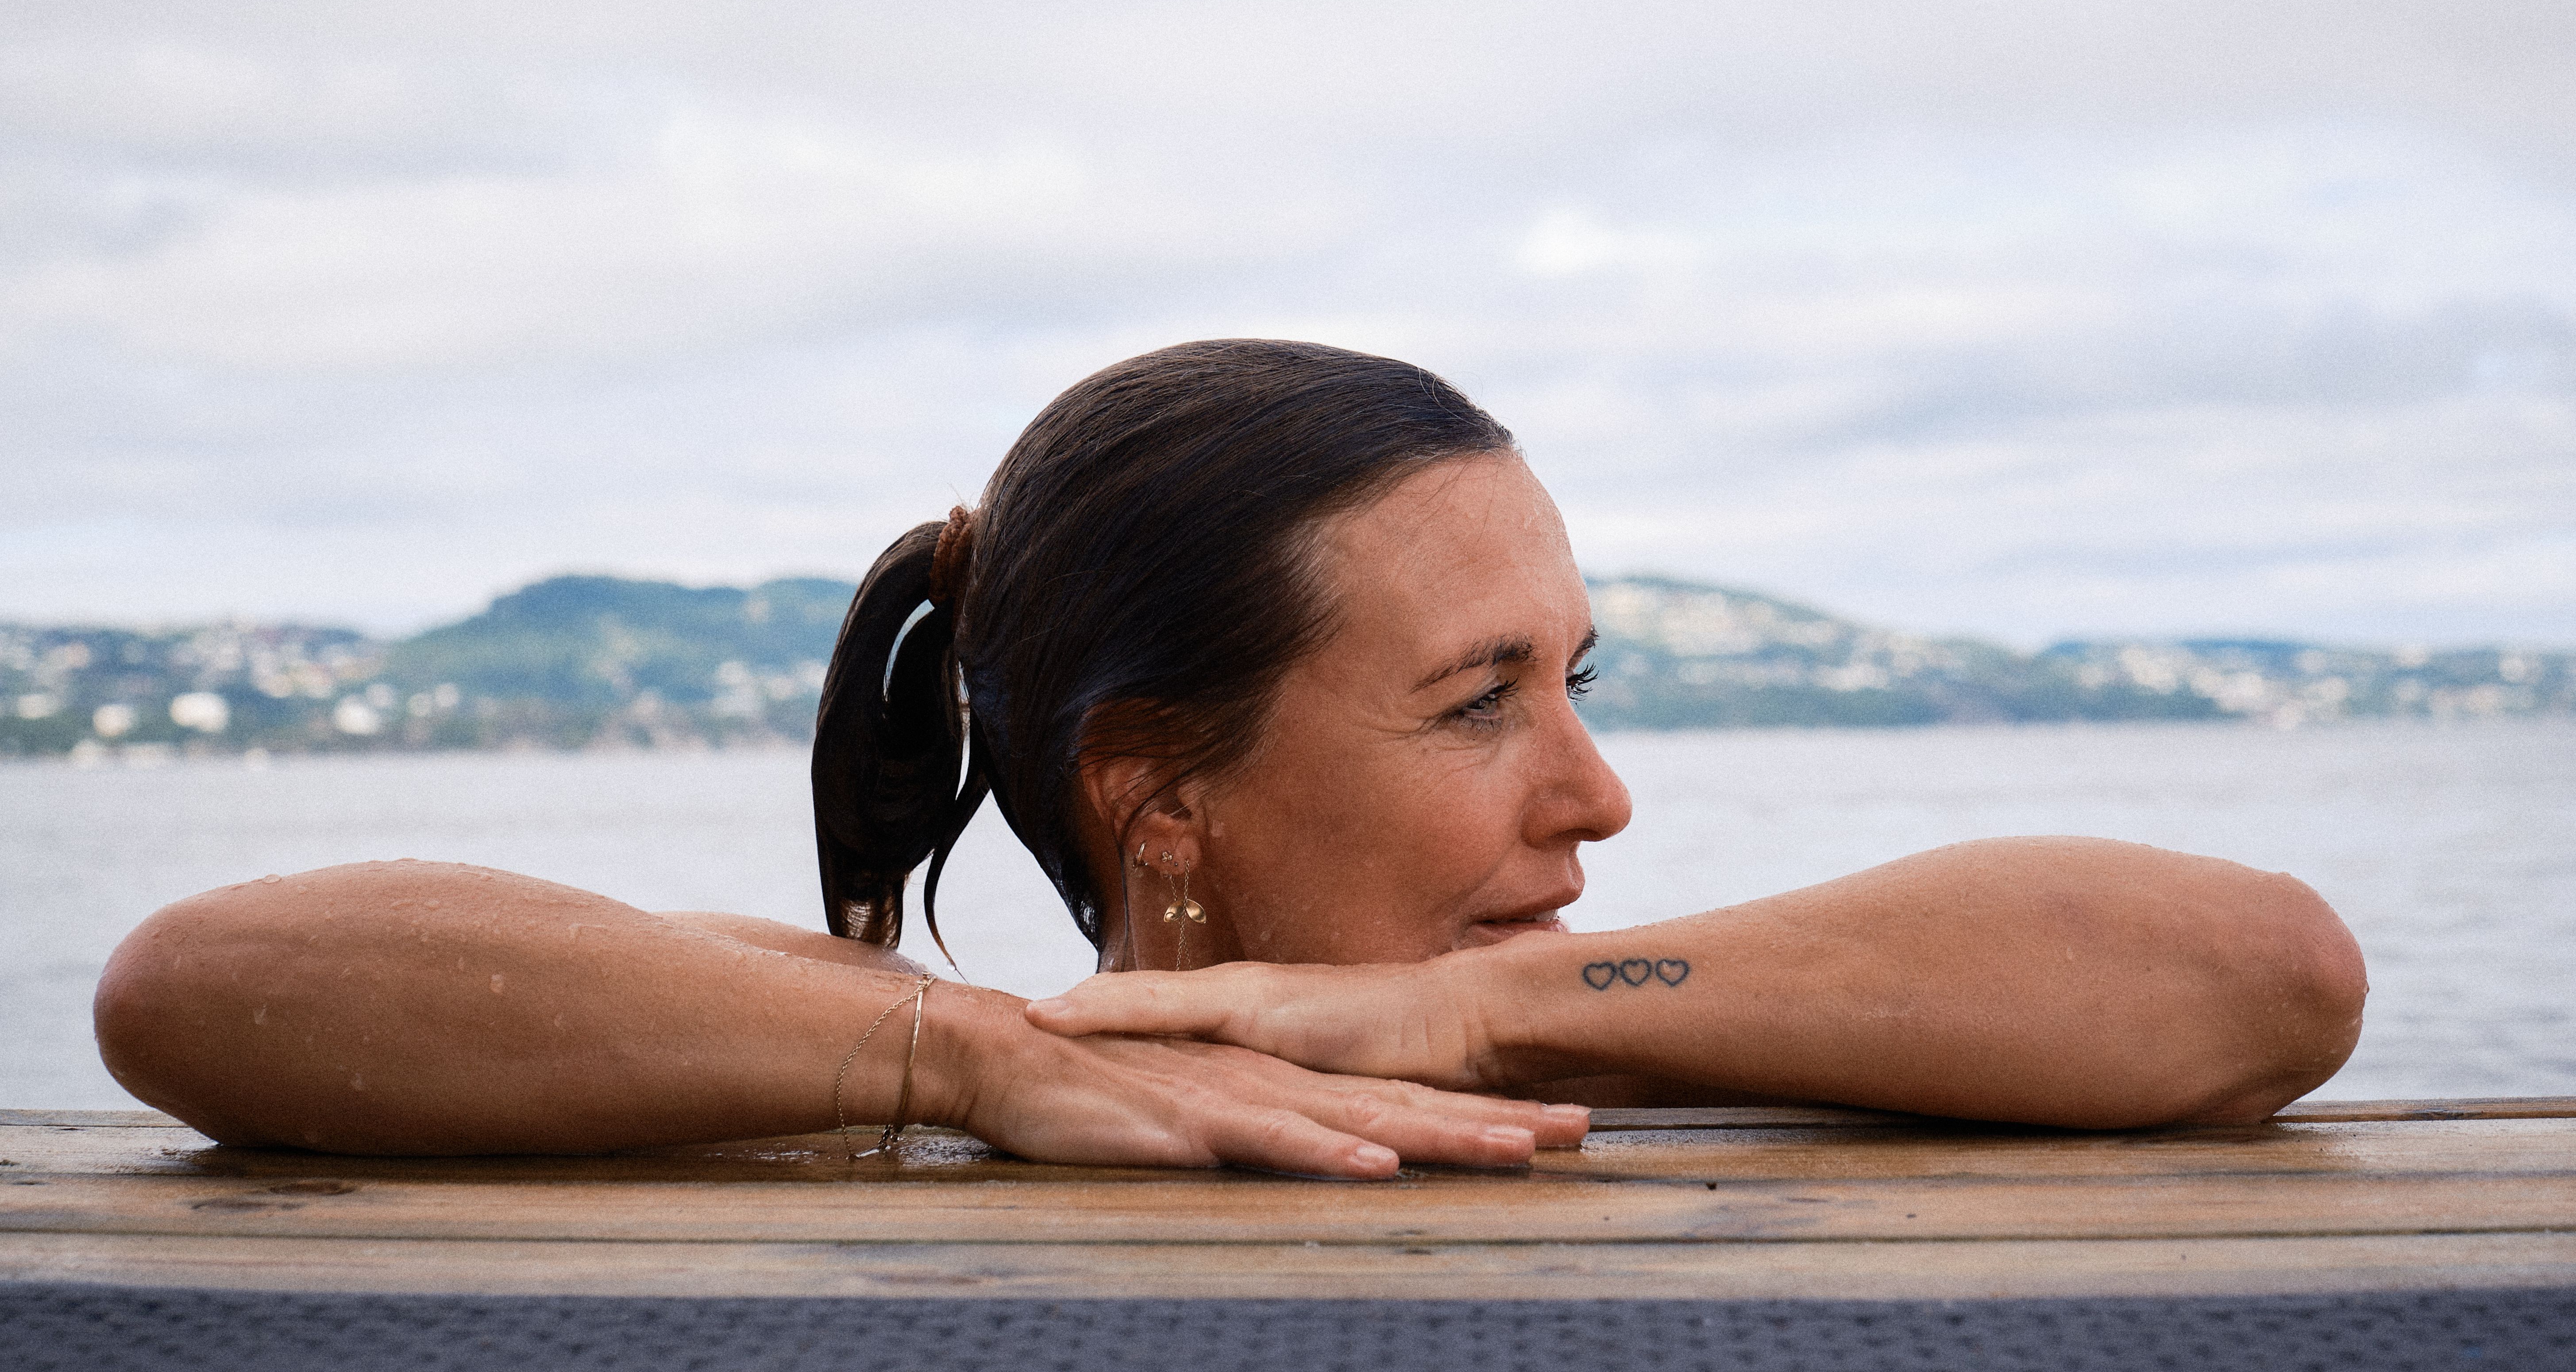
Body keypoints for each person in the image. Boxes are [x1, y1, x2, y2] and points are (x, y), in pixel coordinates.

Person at [94, 340, 2367, 1177]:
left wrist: (1471, 1008)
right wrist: (977, 1064)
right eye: (1482, 703)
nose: (1596, 802)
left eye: (1583, 682)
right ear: (1157, 793)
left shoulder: (1581, 1022)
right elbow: (200, 981)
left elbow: (2267, 975)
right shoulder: (875, 1064)